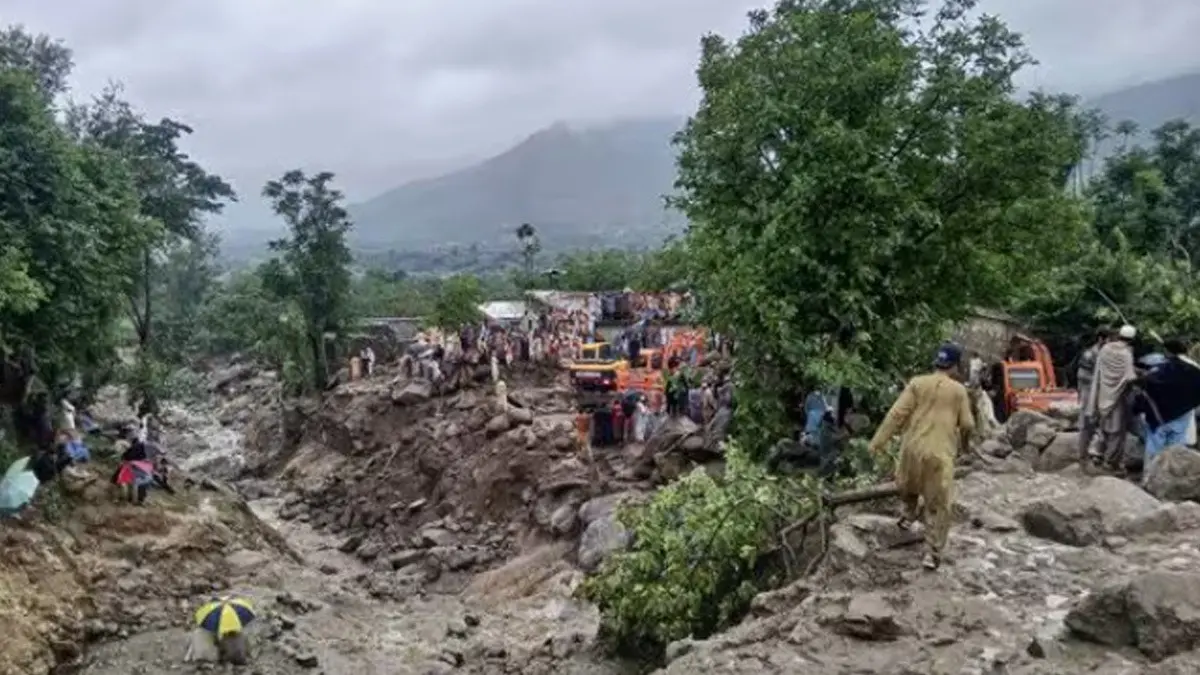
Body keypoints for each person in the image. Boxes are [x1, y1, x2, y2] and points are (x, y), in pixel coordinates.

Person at [868, 343, 975, 571]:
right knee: (938, 504)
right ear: (955, 366)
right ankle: (932, 553)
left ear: (936, 363)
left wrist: (878, 442)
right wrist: (965, 446)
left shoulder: (917, 383)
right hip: (939, 454)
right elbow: (967, 424)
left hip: (912, 448)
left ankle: (908, 513)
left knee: (908, 484)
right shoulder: (958, 391)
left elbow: (897, 414)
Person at [1138, 338, 1200, 470]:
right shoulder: (1195, 369)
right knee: (1175, 452)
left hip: (1159, 416)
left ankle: (1149, 477)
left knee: (1154, 449)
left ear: (1167, 351)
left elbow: (1149, 385)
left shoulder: (1162, 368)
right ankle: (1172, 481)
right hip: (1183, 415)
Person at [1085, 324, 1137, 471]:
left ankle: (1096, 453)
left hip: (1102, 394)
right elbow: (1129, 377)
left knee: (1102, 425)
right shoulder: (1126, 353)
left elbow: (1100, 370)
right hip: (1118, 397)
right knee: (1116, 431)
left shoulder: (1106, 349)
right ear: (1132, 339)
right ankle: (1110, 462)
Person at [1076, 329, 1108, 455]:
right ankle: (1082, 453)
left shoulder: (1107, 353)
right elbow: (1081, 375)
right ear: (1101, 339)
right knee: (1087, 422)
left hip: (1104, 393)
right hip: (1089, 391)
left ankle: (1099, 453)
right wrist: (1097, 381)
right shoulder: (1090, 354)